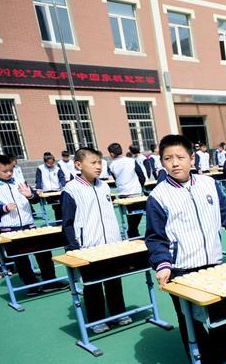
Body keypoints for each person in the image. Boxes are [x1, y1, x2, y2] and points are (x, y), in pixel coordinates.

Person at [145, 134, 226, 364]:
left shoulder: (209, 184)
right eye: (168, 158)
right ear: (161, 162)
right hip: (181, 268)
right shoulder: (159, 195)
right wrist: (163, 265)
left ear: (192, 159)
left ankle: (224, 356)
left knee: (221, 314)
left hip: (213, 264)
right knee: (192, 322)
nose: (174, 163)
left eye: (180, 157)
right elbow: (155, 237)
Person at [61, 147, 132, 333]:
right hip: (88, 247)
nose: (98, 166)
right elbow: (67, 222)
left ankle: (119, 313)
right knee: (92, 285)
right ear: (78, 165)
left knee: (114, 280)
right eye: (93, 163)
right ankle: (96, 320)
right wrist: (73, 247)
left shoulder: (104, 186)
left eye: (100, 162)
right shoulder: (71, 189)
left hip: (111, 244)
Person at [0, 154, 67, 295]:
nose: (9, 173)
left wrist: (30, 195)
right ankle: (31, 285)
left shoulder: (19, 181)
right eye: (5, 171)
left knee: (43, 252)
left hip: (29, 225)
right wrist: (4, 208)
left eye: (11, 170)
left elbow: (35, 200)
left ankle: (50, 282)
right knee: (20, 258)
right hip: (9, 229)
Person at [107, 143, 146, 239]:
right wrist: (140, 186)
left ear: (111, 154)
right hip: (135, 191)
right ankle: (133, 230)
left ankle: (132, 230)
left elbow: (115, 179)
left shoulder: (112, 165)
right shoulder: (131, 161)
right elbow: (141, 176)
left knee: (128, 214)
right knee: (138, 213)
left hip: (122, 192)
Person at [35, 152, 66, 221]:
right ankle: (59, 222)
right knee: (56, 207)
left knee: (59, 207)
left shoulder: (57, 168)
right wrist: (38, 188)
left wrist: (64, 186)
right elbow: (38, 179)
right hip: (47, 191)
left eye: (52, 163)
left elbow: (61, 178)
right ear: (45, 162)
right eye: (49, 163)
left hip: (56, 190)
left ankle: (61, 222)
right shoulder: (40, 168)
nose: (51, 165)